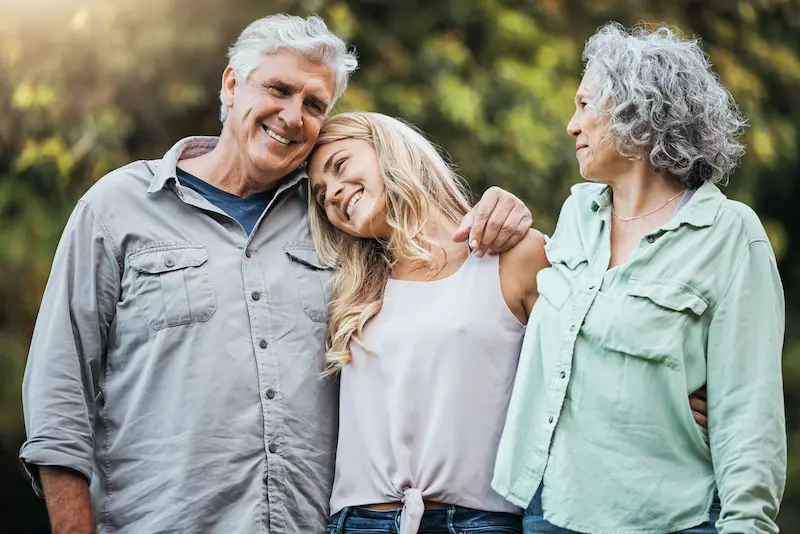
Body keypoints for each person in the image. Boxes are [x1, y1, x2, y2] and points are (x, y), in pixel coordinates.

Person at [19, 14, 533, 534]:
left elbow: (432, 281)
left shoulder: (335, 223)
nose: (293, 116)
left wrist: (501, 211)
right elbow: (59, 394)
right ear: (232, 84)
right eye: (279, 89)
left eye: (314, 104)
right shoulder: (118, 206)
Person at [492, 22, 786, 534]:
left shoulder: (731, 233)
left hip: (670, 518)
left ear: (637, 110)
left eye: (585, 106)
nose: (571, 125)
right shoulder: (576, 214)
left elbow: (749, 414)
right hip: (549, 509)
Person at [306, 111, 549, 534]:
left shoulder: (513, 255)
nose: (332, 195)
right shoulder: (345, 286)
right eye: (321, 194)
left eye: (341, 166)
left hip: (477, 521)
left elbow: (579, 374)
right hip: (356, 522)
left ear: (388, 148)